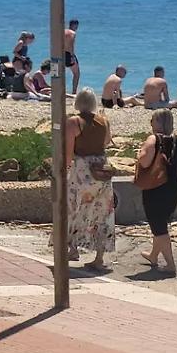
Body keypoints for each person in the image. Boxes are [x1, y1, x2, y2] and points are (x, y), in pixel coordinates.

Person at [65, 88, 116, 272]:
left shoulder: (74, 122)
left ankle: (72, 248)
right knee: (103, 213)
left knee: (74, 208)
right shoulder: (104, 121)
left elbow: (69, 153)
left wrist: (64, 169)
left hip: (82, 170)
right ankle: (99, 257)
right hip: (101, 170)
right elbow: (105, 143)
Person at [138, 108, 177, 275]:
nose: (151, 123)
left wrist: (139, 153)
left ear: (158, 122)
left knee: (158, 227)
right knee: (161, 222)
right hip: (173, 188)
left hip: (155, 188)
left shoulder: (153, 139)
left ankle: (170, 264)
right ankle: (153, 255)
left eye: (153, 120)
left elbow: (144, 162)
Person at [64, 19, 81, 93]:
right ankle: (74, 91)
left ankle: (57, 88)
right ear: (74, 25)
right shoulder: (73, 33)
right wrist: (72, 56)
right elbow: (71, 45)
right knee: (77, 74)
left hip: (58, 53)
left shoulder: (62, 31)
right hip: (68, 54)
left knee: (57, 73)